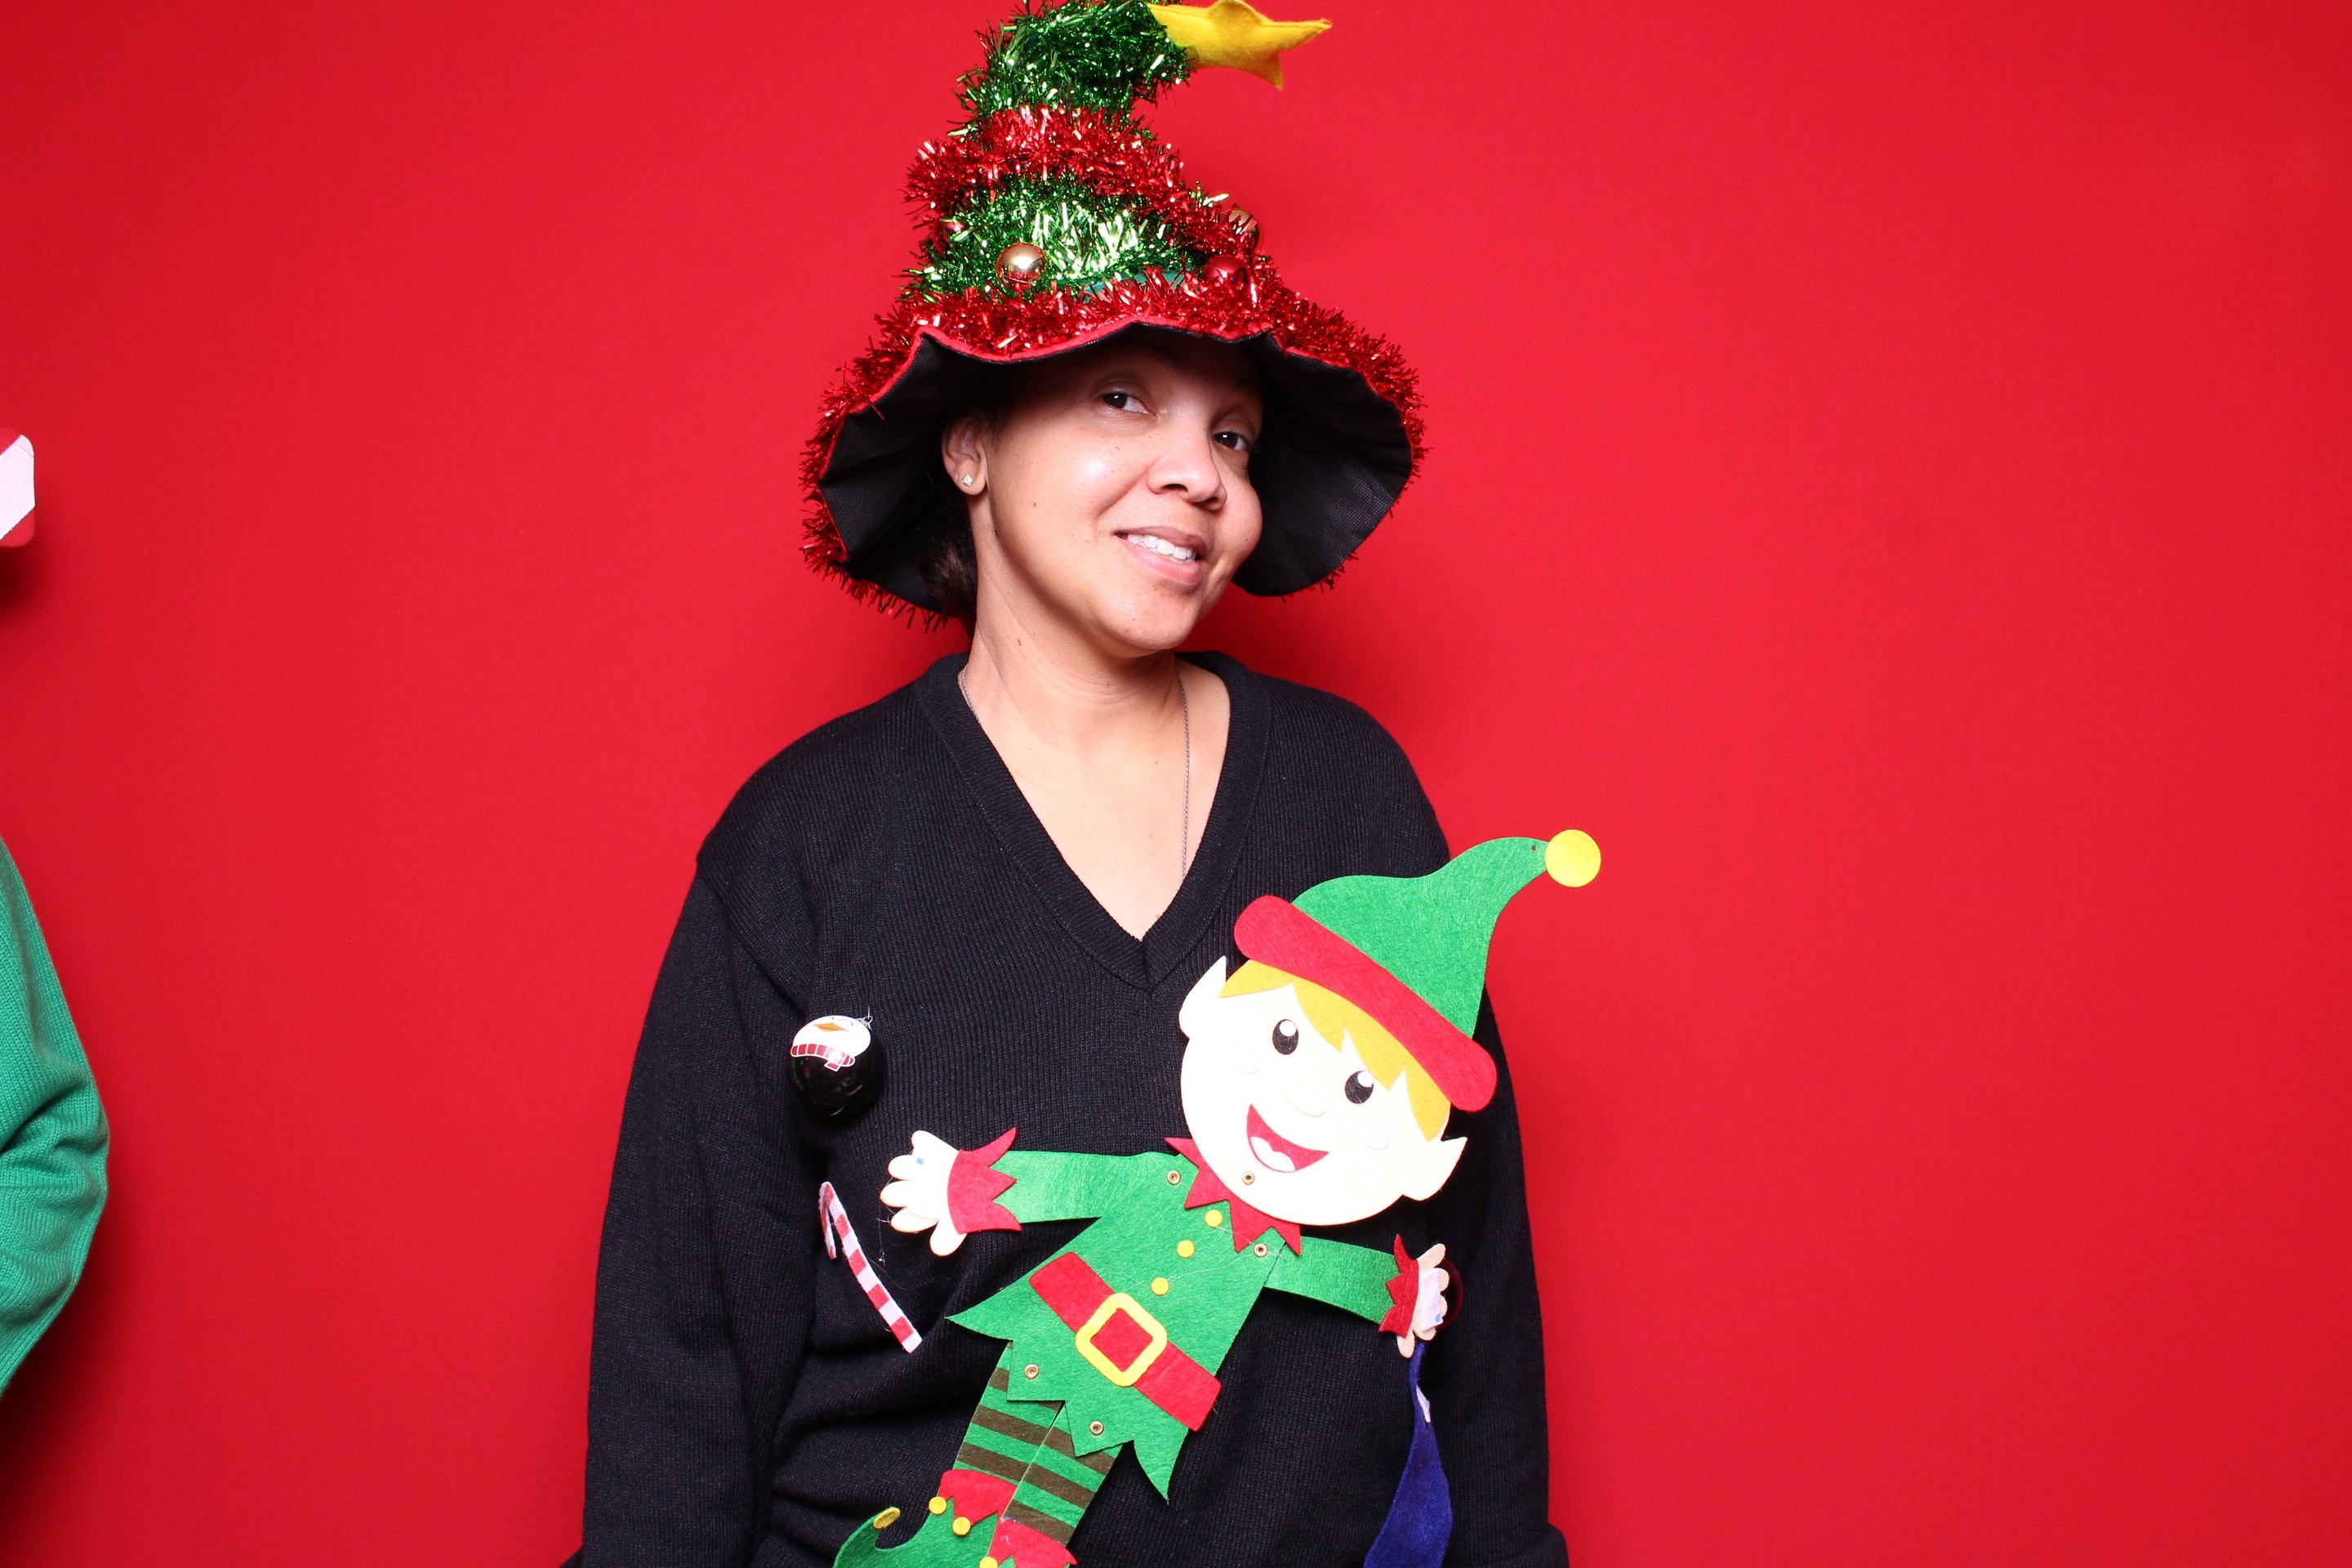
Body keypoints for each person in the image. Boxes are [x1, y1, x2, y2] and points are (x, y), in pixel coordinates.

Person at [580, 5, 1578, 1566]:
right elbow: (682, 1354)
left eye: (1233, 434)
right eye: (1123, 398)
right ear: (970, 444)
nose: (1201, 474)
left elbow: (1479, 1294)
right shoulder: (808, 844)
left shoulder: (1349, 797)